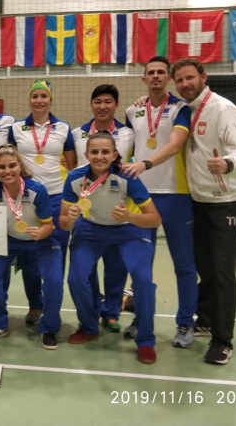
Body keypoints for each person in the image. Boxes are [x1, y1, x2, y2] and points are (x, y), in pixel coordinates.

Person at [172, 58, 236, 365]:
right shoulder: (187, 110)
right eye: (179, 80)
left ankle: (222, 340)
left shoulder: (223, 108)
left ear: (203, 77)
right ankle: (205, 319)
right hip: (199, 200)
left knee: (221, 270)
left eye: (189, 78)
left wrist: (227, 163)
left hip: (226, 200)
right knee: (204, 265)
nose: (185, 84)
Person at [61, 132, 161, 364]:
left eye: (105, 152)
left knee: (143, 280)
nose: (100, 156)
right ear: (86, 154)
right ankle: (89, 327)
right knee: (76, 279)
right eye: (94, 152)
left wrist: (130, 216)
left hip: (128, 229)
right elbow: (64, 224)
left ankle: (146, 340)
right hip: (91, 229)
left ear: (115, 154)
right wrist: (71, 219)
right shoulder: (75, 177)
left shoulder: (127, 176)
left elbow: (155, 219)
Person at [121, 55, 198, 348]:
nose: (155, 76)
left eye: (161, 72)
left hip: (176, 195)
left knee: (184, 264)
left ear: (168, 78)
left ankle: (185, 323)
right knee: (142, 265)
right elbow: (127, 147)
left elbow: (175, 144)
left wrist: (145, 164)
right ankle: (141, 319)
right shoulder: (132, 111)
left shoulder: (181, 109)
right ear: (144, 79)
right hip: (142, 196)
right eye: (150, 72)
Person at [8, 79, 77, 326]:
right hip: (28, 199)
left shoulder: (63, 128)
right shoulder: (16, 128)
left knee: (56, 254)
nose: (39, 100)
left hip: (57, 197)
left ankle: (51, 307)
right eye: (35, 96)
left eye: (44, 96)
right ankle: (35, 305)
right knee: (29, 257)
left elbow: (72, 164)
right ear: (29, 100)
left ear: (50, 99)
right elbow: (10, 159)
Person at [0, 144, 61, 349]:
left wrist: (41, 233)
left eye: (12, 166)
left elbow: (48, 225)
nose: (7, 171)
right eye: (1, 167)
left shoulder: (37, 190)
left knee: (54, 281)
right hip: (7, 239)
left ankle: (49, 327)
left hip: (40, 240)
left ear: (20, 166)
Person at [71, 84, 135, 333]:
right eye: (98, 101)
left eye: (108, 101)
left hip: (117, 211)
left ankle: (111, 313)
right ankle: (93, 309)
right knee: (84, 269)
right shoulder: (77, 134)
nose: (102, 106)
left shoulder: (128, 133)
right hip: (86, 212)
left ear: (116, 105)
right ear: (91, 105)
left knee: (116, 268)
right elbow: (73, 166)